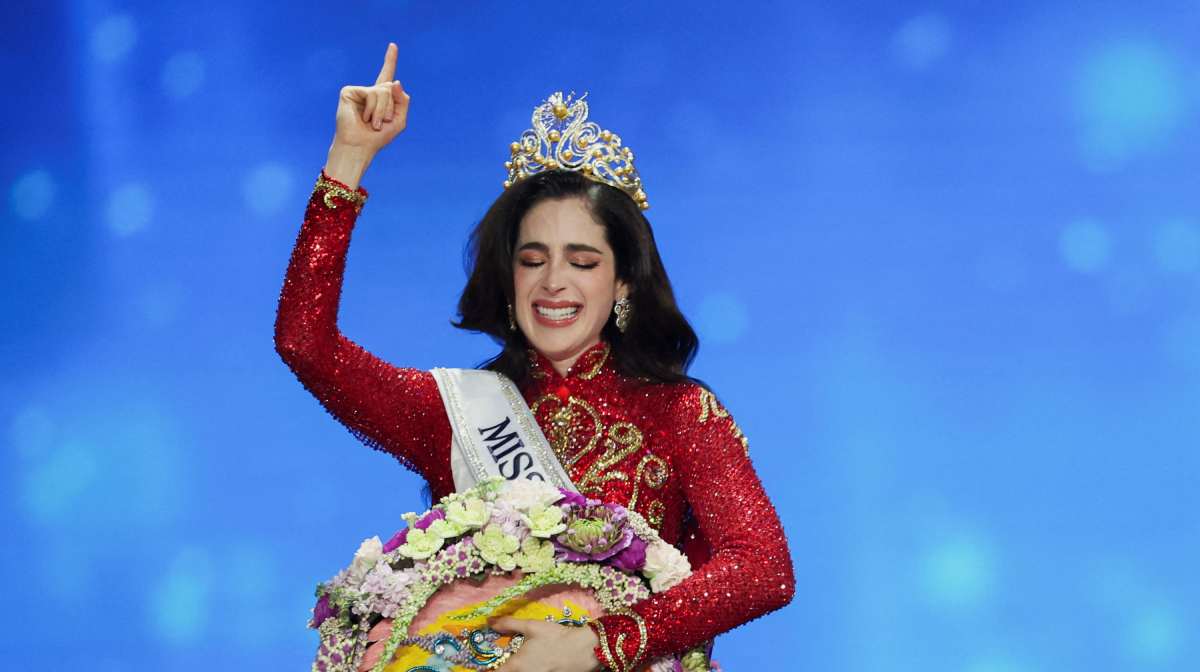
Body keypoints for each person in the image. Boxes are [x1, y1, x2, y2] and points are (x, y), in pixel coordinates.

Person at [275, 42, 795, 672]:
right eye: (532, 260)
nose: (554, 282)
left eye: (582, 261)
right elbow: (305, 342)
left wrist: (602, 644)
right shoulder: (453, 411)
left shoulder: (680, 412)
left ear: (624, 280)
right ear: (509, 277)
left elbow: (763, 568)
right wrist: (348, 158)